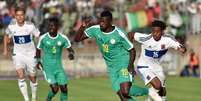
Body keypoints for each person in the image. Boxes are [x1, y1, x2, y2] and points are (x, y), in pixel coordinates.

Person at [74, 10, 159, 101]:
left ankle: (149, 92)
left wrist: (130, 66)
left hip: (123, 63)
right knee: (123, 97)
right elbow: (77, 39)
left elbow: (132, 50)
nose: (101, 23)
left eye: (103, 21)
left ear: (110, 21)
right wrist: (83, 26)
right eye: (100, 21)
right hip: (111, 67)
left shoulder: (119, 33)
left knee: (125, 91)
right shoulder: (95, 29)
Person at [128, 20, 186, 101]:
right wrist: (130, 49)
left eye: (157, 32)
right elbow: (130, 34)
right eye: (153, 31)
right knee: (157, 86)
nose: (154, 34)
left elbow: (179, 46)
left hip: (156, 67)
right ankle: (150, 93)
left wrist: (182, 49)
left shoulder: (167, 40)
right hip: (143, 66)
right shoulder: (146, 38)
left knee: (162, 92)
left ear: (162, 32)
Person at [3, 7, 39, 101]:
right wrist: (5, 50)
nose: (19, 17)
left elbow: (37, 36)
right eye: (17, 15)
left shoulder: (30, 26)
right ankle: (26, 99)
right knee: (20, 75)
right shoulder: (11, 26)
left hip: (31, 54)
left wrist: (39, 50)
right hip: (18, 54)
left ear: (24, 16)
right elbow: (6, 36)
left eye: (21, 15)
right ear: (15, 16)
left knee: (33, 78)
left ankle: (34, 97)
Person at [35, 17, 74, 101]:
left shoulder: (63, 38)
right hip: (47, 68)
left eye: (53, 26)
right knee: (55, 88)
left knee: (64, 88)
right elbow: (38, 49)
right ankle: (48, 99)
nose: (51, 27)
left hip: (59, 68)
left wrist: (71, 54)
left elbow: (70, 49)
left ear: (57, 27)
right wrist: (38, 61)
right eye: (49, 26)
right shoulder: (43, 38)